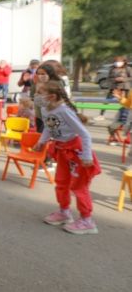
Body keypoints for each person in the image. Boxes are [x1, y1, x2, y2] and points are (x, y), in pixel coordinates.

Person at [35, 81, 101, 235]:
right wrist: (41, 141)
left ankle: (87, 221)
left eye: (39, 93)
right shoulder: (45, 109)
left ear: (51, 96)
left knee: (79, 187)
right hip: (62, 150)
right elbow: (48, 126)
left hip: (77, 152)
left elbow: (85, 134)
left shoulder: (64, 111)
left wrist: (86, 155)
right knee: (61, 182)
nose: (36, 96)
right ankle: (64, 212)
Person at [97, 56, 131, 121]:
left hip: (124, 88)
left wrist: (124, 79)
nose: (117, 63)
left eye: (119, 61)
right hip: (114, 88)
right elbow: (109, 78)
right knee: (106, 101)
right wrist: (115, 79)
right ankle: (101, 115)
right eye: (116, 61)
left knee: (125, 103)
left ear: (124, 62)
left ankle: (125, 117)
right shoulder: (112, 69)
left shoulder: (128, 68)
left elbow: (131, 78)